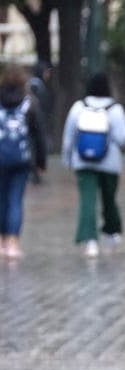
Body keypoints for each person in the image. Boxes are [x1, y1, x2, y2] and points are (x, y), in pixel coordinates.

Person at [61, 72, 125, 258]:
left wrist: (67, 159)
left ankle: (90, 240)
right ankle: (112, 232)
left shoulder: (78, 107)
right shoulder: (115, 109)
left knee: (87, 200)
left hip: (82, 161)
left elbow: (69, 137)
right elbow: (122, 138)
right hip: (110, 163)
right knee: (109, 199)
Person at [0, 64, 46, 260]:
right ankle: (13, 242)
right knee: (15, 200)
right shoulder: (30, 102)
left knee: (1, 199)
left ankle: (1, 242)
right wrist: (41, 162)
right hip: (21, 158)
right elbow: (38, 134)